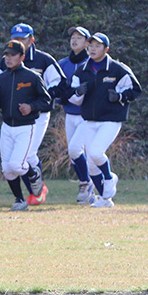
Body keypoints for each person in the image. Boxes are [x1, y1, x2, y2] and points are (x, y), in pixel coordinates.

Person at [0, 23, 65, 205]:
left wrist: (33, 102)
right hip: (12, 118)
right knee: (13, 162)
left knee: (27, 155)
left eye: (22, 38)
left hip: (37, 114)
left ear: (31, 40)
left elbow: (60, 84)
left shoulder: (43, 60)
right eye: (15, 38)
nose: (19, 41)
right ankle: (31, 193)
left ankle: (36, 191)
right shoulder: (5, 62)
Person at [66, 33, 141, 208]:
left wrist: (120, 97)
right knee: (89, 163)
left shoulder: (118, 69)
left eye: (97, 46)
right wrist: (78, 93)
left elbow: (135, 90)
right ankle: (105, 199)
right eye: (91, 45)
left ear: (106, 49)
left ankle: (109, 178)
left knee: (95, 152)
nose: (92, 49)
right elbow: (72, 97)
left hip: (111, 120)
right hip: (89, 120)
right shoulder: (82, 70)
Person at [0, 41, 51, 211]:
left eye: (12, 55)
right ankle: (20, 200)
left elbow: (47, 101)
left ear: (22, 57)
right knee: (7, 169)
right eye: (6, 55)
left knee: (16, 165)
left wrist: (31, 107)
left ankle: (33, 174)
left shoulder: (32, 77)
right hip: (7, 127)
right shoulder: (1, 79)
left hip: (26, 127)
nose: (8, 58)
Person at [57, 26, 95, 204]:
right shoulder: (63, 64)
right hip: (70, 114)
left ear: (87, 43)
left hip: (87, 116)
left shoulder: (91, 63)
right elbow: (57, 89)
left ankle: (89, 184)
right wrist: (68, 95)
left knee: (80, 151)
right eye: (73, 37)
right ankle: (92, 182)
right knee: (74, 154)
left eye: (79, 37)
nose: (74, 40)